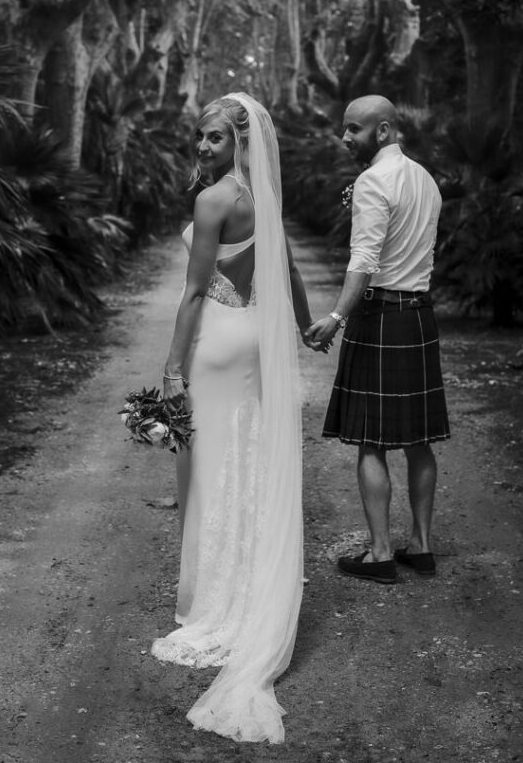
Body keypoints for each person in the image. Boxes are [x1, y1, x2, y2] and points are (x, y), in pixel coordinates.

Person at [151, 92, 312, 743]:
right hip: (252, 337)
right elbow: (290, 270)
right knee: (242, 459)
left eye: (213, 138)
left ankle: (215, 601)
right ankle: (249, 586)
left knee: (213, 468)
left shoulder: (214, 201)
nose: (201, 146)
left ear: (242, 141)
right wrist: (304, 326)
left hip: (216, 341)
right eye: (199, 136)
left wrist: (170, 367)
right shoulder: (261, 199)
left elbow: (192, 292)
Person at [306, 94, 450, 585]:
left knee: (371, 441)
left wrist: (336, 317)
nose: (345, 137)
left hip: (381, 317)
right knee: (419, 440)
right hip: (419, 316)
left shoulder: (372, 181)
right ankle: (422, 547)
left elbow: (364, 260)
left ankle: (381, 553)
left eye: (354, 129)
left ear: (383, 130)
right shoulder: (426, 179)